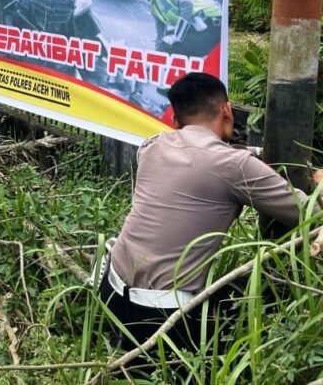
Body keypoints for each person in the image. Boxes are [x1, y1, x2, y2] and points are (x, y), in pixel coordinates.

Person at [97, 72, 320, 350]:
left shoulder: (151, 146)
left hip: (109, 291)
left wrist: (257, 154)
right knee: (261, 302)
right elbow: (309, 213)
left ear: (174, 120)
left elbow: (205, 158)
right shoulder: (235, 166)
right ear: (227, 109)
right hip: (162, 318)